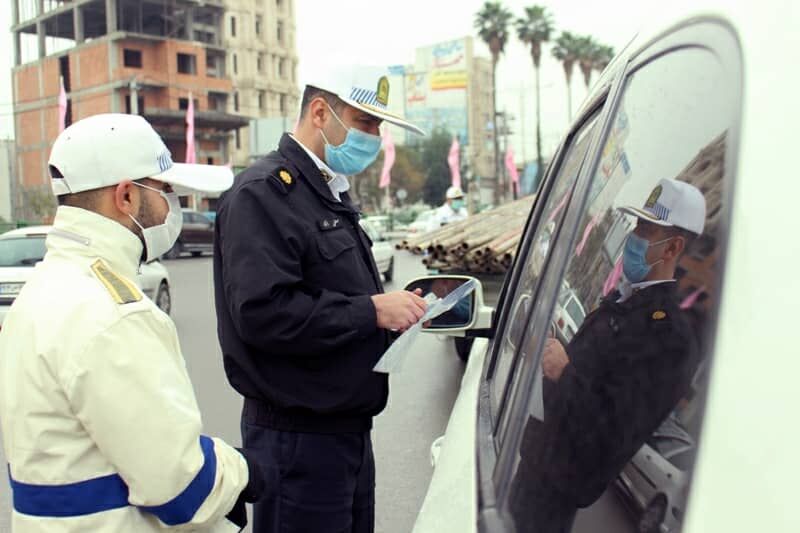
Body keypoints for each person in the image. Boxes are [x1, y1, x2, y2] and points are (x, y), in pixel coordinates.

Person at [0, 114, 270, 532]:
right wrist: (242, 471)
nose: (171, 206)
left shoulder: (41, 292)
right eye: (165, 191)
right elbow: (181, 491)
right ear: (126, 197)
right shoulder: (113, 313)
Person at [213, 72, 427, 533]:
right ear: (319, 112)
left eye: (377, 127)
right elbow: (264, 314)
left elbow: (340, 295)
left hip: (345, 434)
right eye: (364, 123)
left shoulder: (328, 196)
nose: (373, 138)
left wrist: (390, 312)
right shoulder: (265, 193)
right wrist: (372, 310)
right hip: (296, 443)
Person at [509, 178, 706, 533]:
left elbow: (618, 425)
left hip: (559, 484)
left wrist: (564, 373)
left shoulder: (669, 336)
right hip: (538, 460)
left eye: (646, 229)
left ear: (672, 247)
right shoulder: (625, 300)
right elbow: (595, 371)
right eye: (636, 224)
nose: (633, 235)